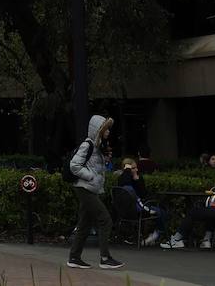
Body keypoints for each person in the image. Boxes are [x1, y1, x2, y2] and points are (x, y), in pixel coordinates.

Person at [67, 114, 125, 271]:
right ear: (98, 130)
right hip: (84, 188)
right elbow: (74, 165)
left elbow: (94, 166)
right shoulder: (88, 145)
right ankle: (105, 258)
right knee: (105, 220)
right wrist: (90, 176)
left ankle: (74, 257)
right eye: (105, 129)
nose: (108, 132)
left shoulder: (97, 146)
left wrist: (105, 160)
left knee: (84, 223)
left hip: (88, 188)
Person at [118, 157, 169, 246]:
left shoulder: (138, 178)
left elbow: (143, 194)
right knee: (161, 212)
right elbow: (125, 184)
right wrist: (128, 171)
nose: (136, 170)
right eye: (133, 168)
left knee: (163, 211)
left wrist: (137, 180)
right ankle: (156, 234)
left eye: (136, 167)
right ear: (127, 169)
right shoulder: (123, 178)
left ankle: (154, 235)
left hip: (140, 205)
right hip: (134, 209)